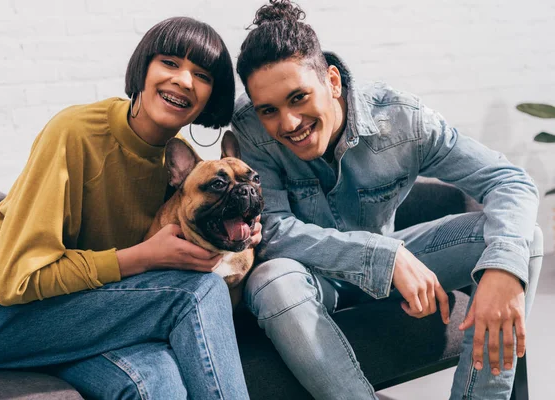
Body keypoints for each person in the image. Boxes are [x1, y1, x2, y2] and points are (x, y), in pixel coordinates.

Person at [230, 1, 543, 399]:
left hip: (393, 266)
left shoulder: (402, 120)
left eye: (298, 98)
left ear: (333, 81)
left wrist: (503, 268)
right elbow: (272, 231)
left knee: (522, 242)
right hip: (307, 279)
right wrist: (381, 255)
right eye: (269, 110)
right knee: (270, 279)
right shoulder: (249, 129)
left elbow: (506, 180)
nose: (288, 123)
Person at [0, 17, 258, 400]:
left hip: (86, 311)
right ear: (143, 67)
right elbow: (15, 280)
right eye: (169, 63)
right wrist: (142, 258)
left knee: (158, 385)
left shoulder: (184, 169)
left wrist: (235, 229)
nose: (184, 80)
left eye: (201, 74)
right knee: (198, 292)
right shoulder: (75, 132)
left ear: (211, 96)